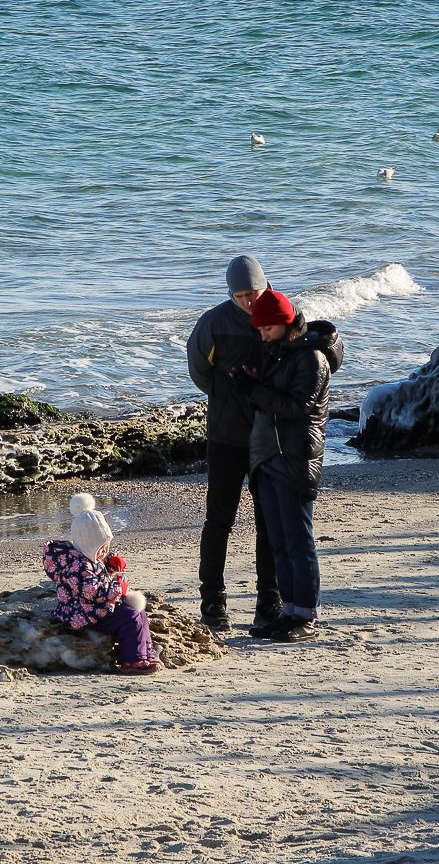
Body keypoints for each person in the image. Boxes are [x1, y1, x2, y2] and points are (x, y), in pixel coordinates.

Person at [230, 288, 344, 642]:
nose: (260, 334)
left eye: (265, 328)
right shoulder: (279, 353)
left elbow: (297, 407)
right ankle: (289, 610)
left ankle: (306, 614)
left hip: (295, 458)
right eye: (259, 329)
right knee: (278, 541)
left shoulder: (312, 359)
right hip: (268, 457)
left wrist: (252, 388)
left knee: (298, 540)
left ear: (283, 323)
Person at [187, 255, 280, 631]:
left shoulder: (283, 313)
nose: (249, 303)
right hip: (225, 435)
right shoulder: (213, 323)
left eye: (254, 294)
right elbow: (199, 371)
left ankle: (269, 602)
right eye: (240, 296)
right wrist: (227, 396)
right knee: (218, 521)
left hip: (270, 436)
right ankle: (213, 603)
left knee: (269, 522)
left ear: (266, 286)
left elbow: (312, 358)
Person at [41, 493, 159, 674]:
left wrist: (110, 564)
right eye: (101, 548)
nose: (105, 552)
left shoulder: (86, 557)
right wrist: (119, 587)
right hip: (82, 615)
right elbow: (94, 591)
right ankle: (132, 659)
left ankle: (145, 651)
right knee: (130, 617)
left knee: (139, 612)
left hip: (94, 608)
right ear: (88, 544)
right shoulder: (77, 566)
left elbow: (97, 570)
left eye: (107, 547)